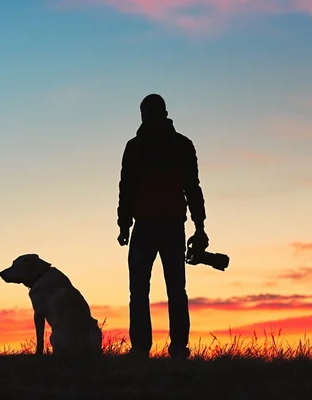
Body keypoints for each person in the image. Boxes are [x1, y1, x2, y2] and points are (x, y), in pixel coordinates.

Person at [116, 94, 209, 360]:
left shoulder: (141, 146)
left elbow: (191, 186)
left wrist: (124, 225)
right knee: (169, 289)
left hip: (156, 225)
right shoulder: (177, 145)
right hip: (161, 225)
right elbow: (192, 188)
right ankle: (165, 347)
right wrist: (200, 226)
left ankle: (151, 348)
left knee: (150, 290)